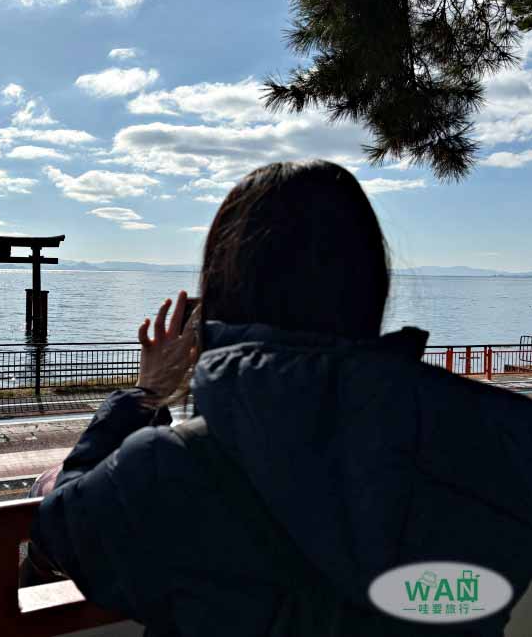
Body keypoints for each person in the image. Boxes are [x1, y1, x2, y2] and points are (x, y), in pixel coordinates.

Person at [29, 160, 532, 636]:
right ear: (370, 283)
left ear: (222, 289)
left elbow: (63, 533)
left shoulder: (173, 464)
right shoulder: (497, 444)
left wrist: (145, 395)